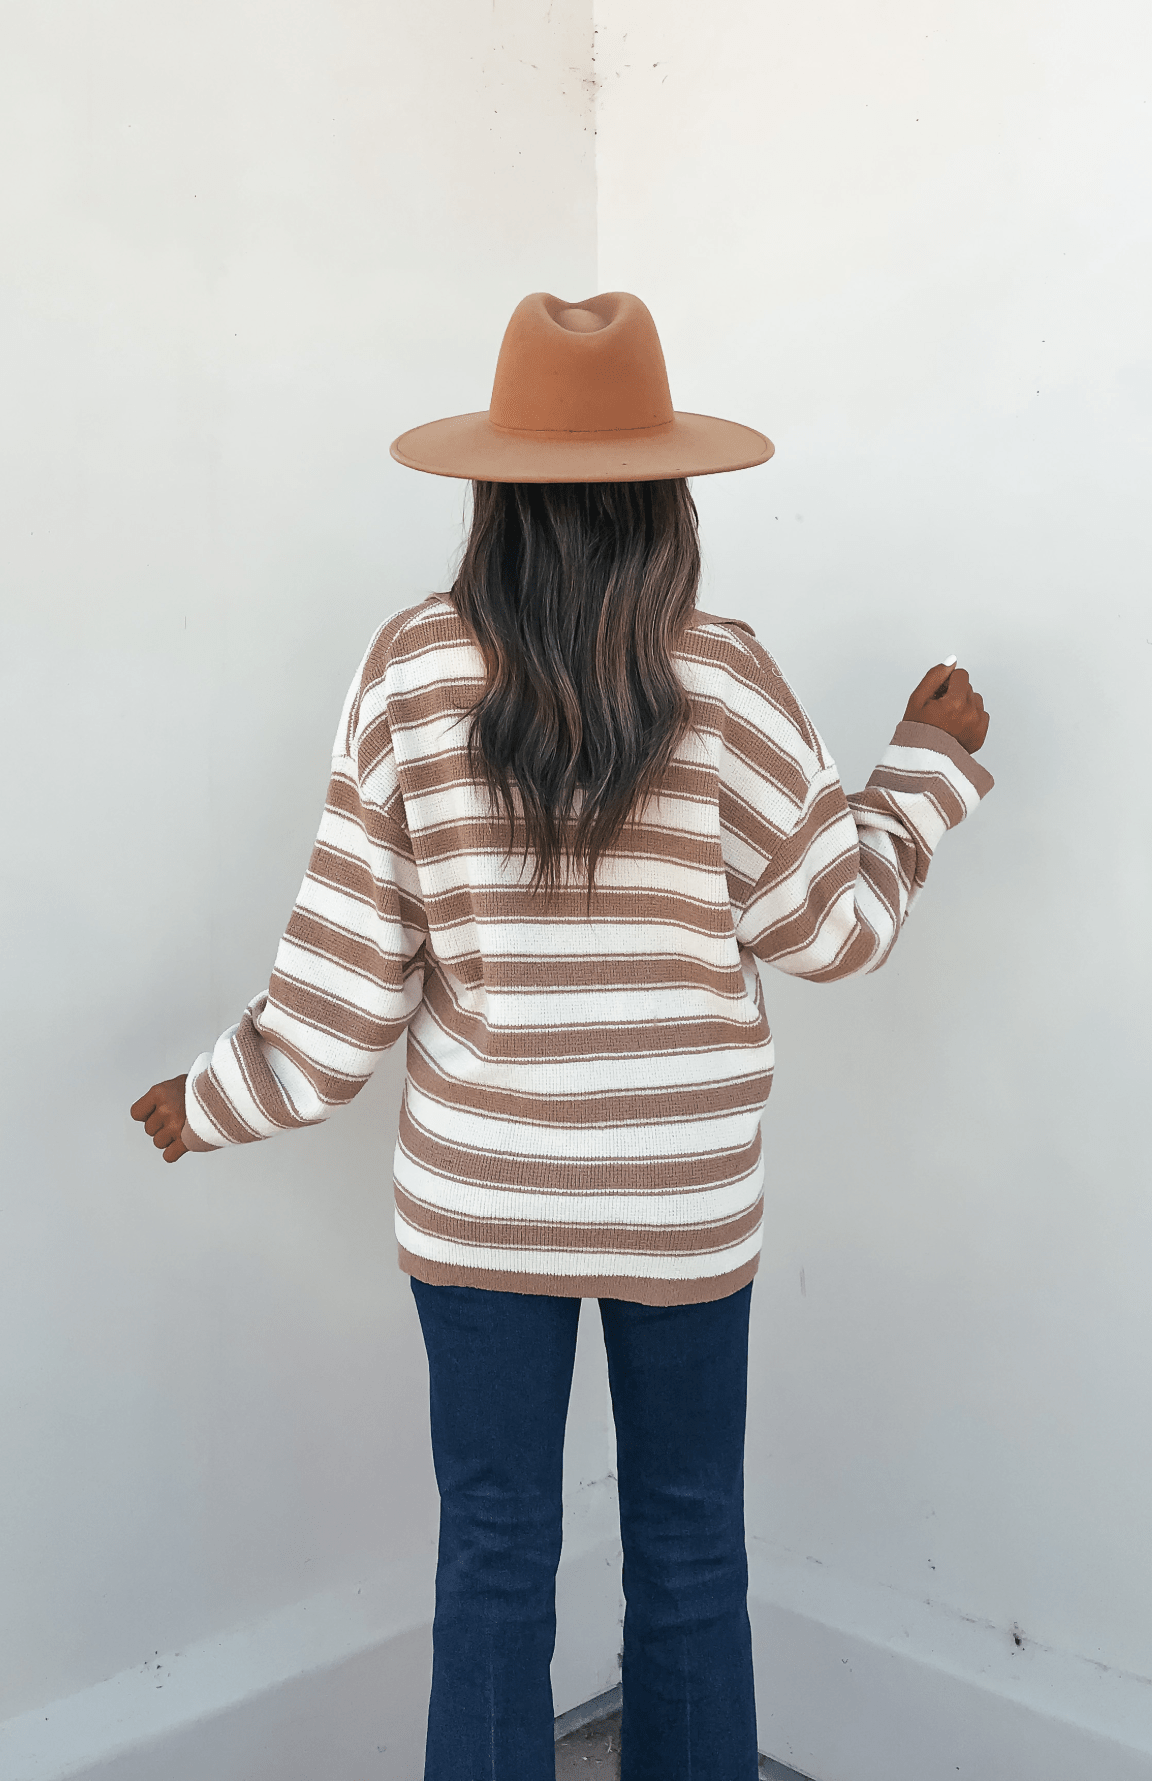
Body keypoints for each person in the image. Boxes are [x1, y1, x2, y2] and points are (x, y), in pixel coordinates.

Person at [132, 291, 991, 1781]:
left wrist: (211, 1098)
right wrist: (923, 773)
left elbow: (339, 1002)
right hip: (682, 1209)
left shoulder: (410, 671)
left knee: (493, 1570)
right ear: (667, 495)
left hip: (477, 1215)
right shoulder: (721, 674)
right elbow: (835, 931)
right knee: (690, 1559)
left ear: (488, 497)